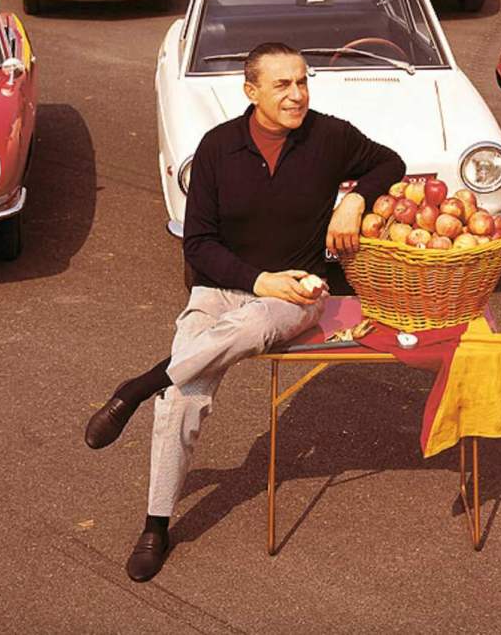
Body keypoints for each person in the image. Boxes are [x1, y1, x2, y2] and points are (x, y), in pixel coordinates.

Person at [85, 41, 405, 582]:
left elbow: (389, 162)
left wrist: (354, 200)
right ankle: (156, 525)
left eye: (302, 81)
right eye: (282, 85)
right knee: (182, 399)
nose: (297, 94)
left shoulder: (329, 136)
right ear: (251, 91)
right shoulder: (217, 147)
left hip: (296, 292)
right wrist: (256, 280)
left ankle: (139, 386)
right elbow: (197, 245)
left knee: (256, 322)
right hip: (220, 290)